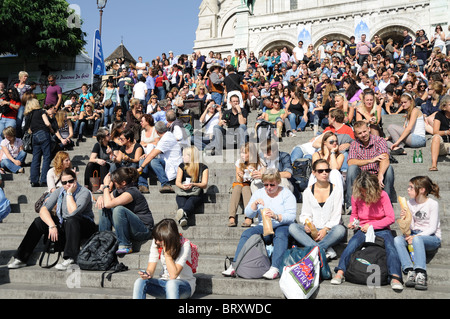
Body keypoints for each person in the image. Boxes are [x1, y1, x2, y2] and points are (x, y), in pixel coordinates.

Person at [8, 168, 96, 270]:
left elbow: (73, 213)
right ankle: (21, 258)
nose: (67, 184)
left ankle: (70, 258)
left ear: (75, 179)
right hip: (66, 224)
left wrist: (69, 193)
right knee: (39, 222)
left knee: (72, 220)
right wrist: (51, 225)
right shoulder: (59, 191)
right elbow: (43, 209)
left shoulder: (84, 192)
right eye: (64, 182)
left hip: (84, 226)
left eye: (70, 181)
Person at [331, 171, 404, 291]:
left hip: (382, 228)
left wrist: (372, 225)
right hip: (363, 229)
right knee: (352, 244)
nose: (363, 193)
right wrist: (353, 222)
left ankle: (395, 276)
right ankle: (340, 271)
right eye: (361, 190)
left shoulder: (383, 195)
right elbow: (355, 214)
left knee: (391, 247)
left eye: (365, 190)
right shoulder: (356, 196)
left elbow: (390, 218)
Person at [222, 169, 296, 279]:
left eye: (272, 185)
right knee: (247, 233)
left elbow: (291, 216)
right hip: (263, 226)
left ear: (278, 182)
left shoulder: (286, 193)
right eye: (266, 185)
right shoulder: (259, 193)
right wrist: (254, 205)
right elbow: (248, 214)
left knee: (281, 234)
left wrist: (276, 216)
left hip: (281, 224)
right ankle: (234, 265)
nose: (269, 187)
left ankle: (275, 267)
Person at [289, 159, 346, 259]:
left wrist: (325, 230)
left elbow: (336, 216)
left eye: (327, 170)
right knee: (293, 227)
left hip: (330, 231)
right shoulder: (307, 191)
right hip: (313, 230)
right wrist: (308, 224)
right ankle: (322, 249)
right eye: (320, 171)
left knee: (340, 230)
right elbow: (305, 214)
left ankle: (314, 250)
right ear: (314, 173)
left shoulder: (336, 190)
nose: (324, 173)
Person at [394, 176, 441, 290]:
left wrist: (415, 236)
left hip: (431, 237)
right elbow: (412, 227)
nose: (408, 190)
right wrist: (406, 219)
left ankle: (421, 273)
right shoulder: (410, 203)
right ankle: (410, 271)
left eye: (411, 187)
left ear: (422, 190)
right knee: (397, 240)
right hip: (415, 234)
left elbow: (432, 228)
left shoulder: (432, 204)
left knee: (416, 239)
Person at [133, 218, 196, 299]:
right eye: (156, 238)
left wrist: (167, 253)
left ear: (169, 238)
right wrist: (147, 274)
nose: (156, 242)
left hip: (184, 285)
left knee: (172, 284)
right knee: (140, 282)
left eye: (159, 240)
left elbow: (173, 275)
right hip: (164, 283)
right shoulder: (156, 242)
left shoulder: (185, 245)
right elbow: (150, 269)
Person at [97, 167, 154, 255]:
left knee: (118, 209)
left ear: (123, 183)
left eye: (115, 181)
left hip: (143, 230)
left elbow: (109, 203)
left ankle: (125, 245)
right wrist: (101, 197)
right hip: (131, 228)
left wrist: (106, 186)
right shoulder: (119, 191)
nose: (113, 183)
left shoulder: (132, 192)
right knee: (103, 208)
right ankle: (104, 243)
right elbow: (106, 203)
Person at [345, 121, 395, 213]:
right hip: (361, 176)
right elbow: (351, 162)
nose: (363, 135)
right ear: (355, 134)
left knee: (389, 169)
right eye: (360, 133)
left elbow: (385, 158)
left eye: (364, 131)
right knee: (352, 168)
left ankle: (387, 202)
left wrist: (380, 174)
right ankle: (351, 205)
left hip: (376, 174)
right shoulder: (354, 144)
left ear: (368, 129)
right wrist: (371, 160)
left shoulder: (379, 140)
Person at [138, 121, 182, 193]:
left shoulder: (166, 138)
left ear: (156, 131)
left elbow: (153, 154)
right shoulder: (166, 136)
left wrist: (141, 167)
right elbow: (155, 151)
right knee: (144, 158)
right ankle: (143, 185)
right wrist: (147, 155)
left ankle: (166, 184)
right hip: (165, 163)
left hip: (172, 166)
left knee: (152, 161)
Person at [228, 142, 264, 227]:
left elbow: (260, 179)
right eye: (241, 152)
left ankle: (248, 217)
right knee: (237, 187)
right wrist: (240, 175)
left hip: (254, 186)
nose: (242, 155)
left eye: (244, 153)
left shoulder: (259, 163)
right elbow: (239, 180)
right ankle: (231, 216)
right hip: (242, 185)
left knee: (246, 188)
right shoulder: (239, 162)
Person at [23, 99, 55, 187]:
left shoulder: (28, 115)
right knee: (46, 157)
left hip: (34, 136)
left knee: (35, 159)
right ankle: (44, 180)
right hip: (43, 134)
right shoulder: (41, 111)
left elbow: (27, 128)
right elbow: (47, 123)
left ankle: (34, 180)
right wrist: (51, 129)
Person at [174, 146, 209, 227]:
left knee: (191, 201)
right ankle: (183, 217)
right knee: (181, 201)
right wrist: (183, 186)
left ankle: (183, 214)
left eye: (185, 155)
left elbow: (204, 184)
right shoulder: (181, 166)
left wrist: (193, 184)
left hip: (196, 193)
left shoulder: (203, 167)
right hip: (183, 192)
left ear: (191, 156)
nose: (182, 157)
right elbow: (177, 182)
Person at [84, 127, 115, 192]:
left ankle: (102, 186)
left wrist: (111, 153)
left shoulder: (112, 144)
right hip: (101, 164)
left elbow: (115, 159)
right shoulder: (98, 145)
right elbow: (91, 159)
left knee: (103, 164)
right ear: (102, 138)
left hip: (110, 165)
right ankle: (86, 185)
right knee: (90, 164)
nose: (110, 135)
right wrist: (97, 160)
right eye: (108, 134)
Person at [429, 94, 450, 171]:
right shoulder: (439, 115)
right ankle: (434, 165)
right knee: (436, 137)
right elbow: (435, 131)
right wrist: (446, 132)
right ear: (444, 107)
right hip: (443, 145)